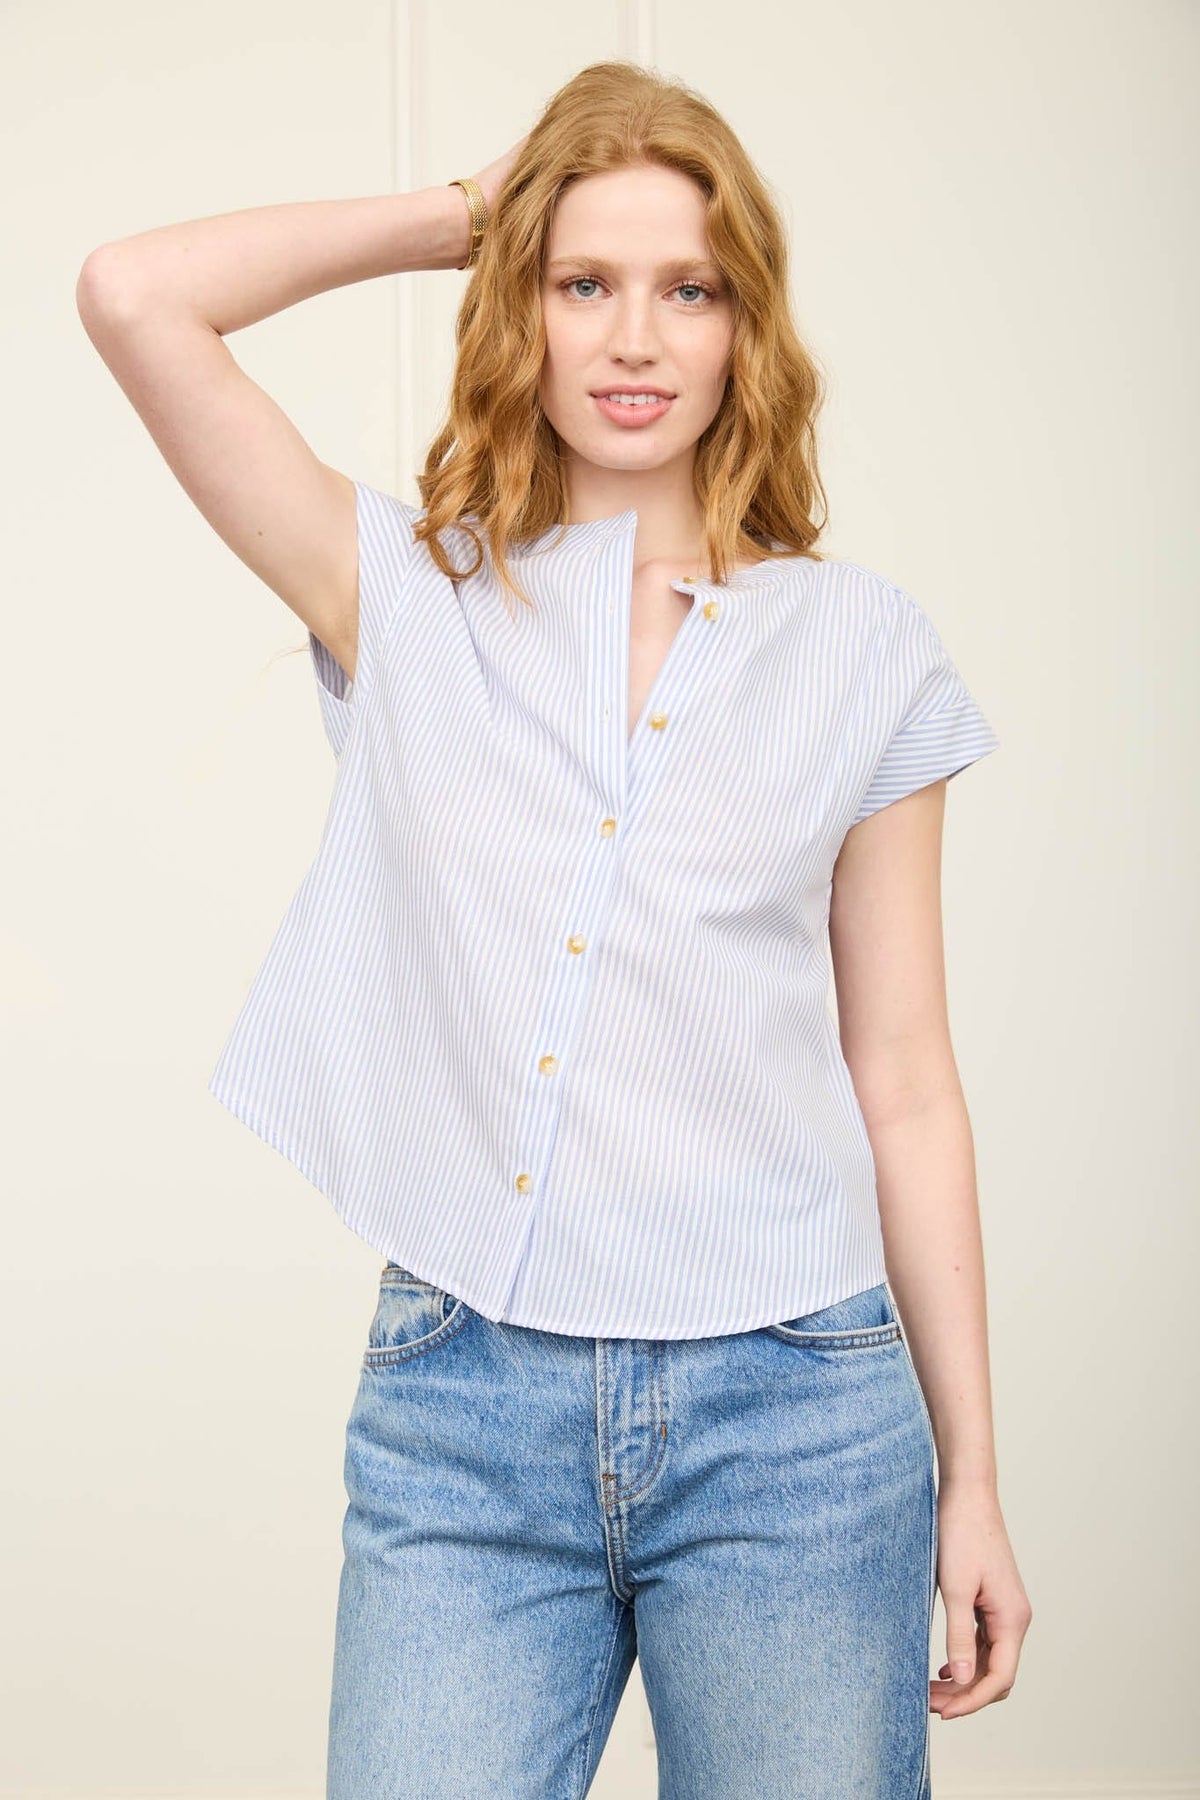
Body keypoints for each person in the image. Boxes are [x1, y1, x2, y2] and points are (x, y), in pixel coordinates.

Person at [77, 57, 1031, 1800]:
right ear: (520, 306)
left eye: (690, 290)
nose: (635, 338)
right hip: (465, 1413)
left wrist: (973, 1478)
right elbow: (136, 295)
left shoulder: (865, 650)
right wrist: (470, 211)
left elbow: (904, 1079)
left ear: (746, 328)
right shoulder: (405, 598)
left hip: (799, 1420)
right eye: (583, 283)